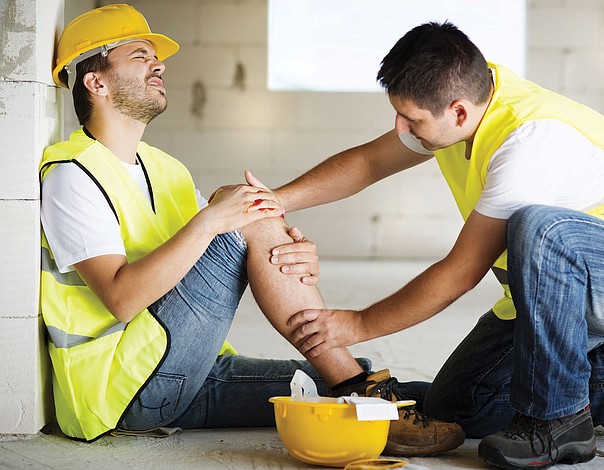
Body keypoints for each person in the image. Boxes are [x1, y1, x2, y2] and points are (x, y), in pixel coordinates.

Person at [40, 4, 466, 456]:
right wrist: (224, 221)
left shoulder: (166, 170)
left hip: (187, 371)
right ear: (96, 81)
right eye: (140, 54)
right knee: (249, 209)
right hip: (122, 390)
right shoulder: (73, 174)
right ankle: (358, 387)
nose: (159, 63)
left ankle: (381, 392)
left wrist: (289, 251)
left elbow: (225, 246)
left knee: (414, 394)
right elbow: (121, 300)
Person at [273, 20, 604, 469]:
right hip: (563, 293)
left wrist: (358, 324)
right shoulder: (466, 102)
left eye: (412, 120)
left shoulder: (528, 141)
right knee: (456, 410)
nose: (401, 128)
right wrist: (275, 199)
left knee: (540, 227)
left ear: (458, 112)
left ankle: (560, 419)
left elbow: (461, 273)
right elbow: (367, 162)